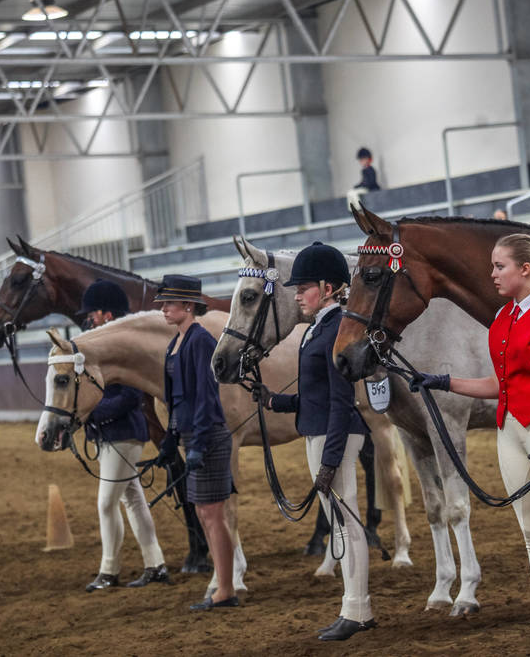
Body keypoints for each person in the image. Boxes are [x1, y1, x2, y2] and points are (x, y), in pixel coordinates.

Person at [412, 234, 530, 657]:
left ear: (525, 269)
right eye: (493, 266)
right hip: (510, 429)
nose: (492, 274)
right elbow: (499, 385)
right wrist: (443, 381)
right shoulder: (502, 319)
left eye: (500, 267)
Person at [257, 241, 375, 641]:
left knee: (346, 523)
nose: (296, 295)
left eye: (303, 287)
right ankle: (355, 606)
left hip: (334, 434)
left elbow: (343, 400)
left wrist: (331, 458)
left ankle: (356, 610)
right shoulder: (318, 329)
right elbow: (317, 393)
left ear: (327, 287)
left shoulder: (337, 329)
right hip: (319, 428)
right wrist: (276, 400)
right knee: (342, 522)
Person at [76, 279, 169, 592]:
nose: (89, 319)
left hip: (124, 433)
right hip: (111, 435)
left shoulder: (123, 349)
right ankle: (155, 564)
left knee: (106, 503)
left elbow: (130, 397)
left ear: (106, 314)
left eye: (93, 313)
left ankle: (109, 571)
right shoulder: (100, 345)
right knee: (133, 500)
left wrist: (92, 414)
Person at [154, 274, 238, 611]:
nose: (163, 308)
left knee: (212, 514)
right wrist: (171, 437)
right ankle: (224, 585)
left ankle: (226, 589)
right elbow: (178, 398)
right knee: (205, 513)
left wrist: (199, 443)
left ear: (188, 305)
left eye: (169, 303)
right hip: (192, 435)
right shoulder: (176, 343)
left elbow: (205, 396)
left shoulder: (200, 341)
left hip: (208, 436)